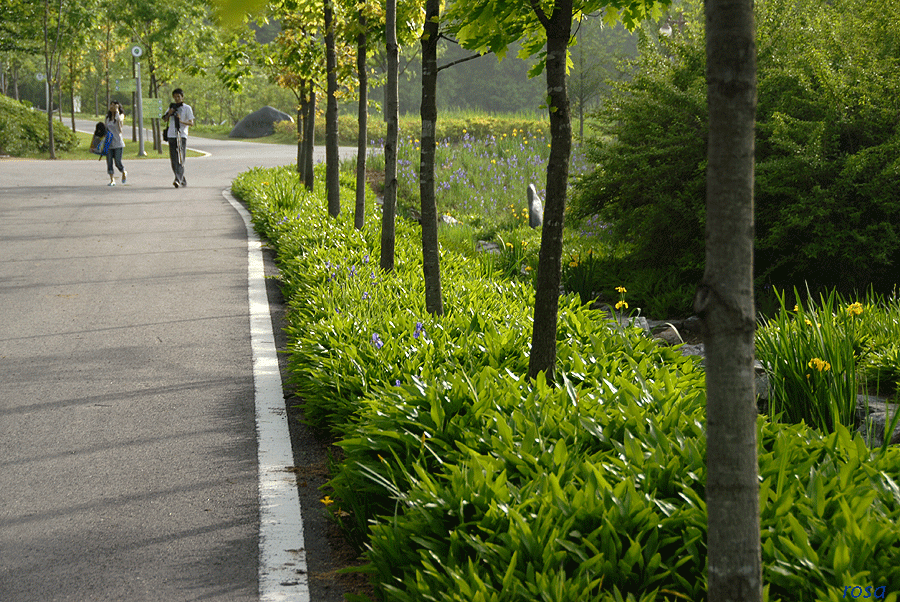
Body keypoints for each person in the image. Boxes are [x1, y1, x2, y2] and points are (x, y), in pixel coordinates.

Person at [162, 88, 195, 188]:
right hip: (171, 135)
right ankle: (181, 178)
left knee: (181, 158)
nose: (176, 99)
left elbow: (191, 123)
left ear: (182, 97)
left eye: (178, 97)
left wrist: (181, 121)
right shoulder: (171, 107)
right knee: (173, 160)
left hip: (181, 135)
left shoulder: (187, 108)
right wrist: (169, 113)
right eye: (175, 97)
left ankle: (177, 179)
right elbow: (164, 119)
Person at [104, 101, 127, 186]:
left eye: (114, 105)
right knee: (109, 162)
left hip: (118, 143)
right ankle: (112, 179)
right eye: (111, 105)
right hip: (109, 143)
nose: (112, 107)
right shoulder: (107, 117)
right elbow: (105, 128)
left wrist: (117, 111)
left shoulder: (120, 115)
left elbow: (119, 121)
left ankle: (123, 171)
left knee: (117, 162)